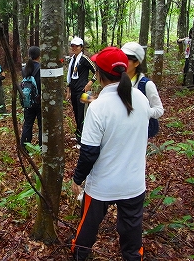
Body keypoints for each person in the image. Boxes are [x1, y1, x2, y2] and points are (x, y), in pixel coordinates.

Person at [71, 47, 150, 261]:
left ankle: (80, 256)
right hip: (133, 183)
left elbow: (89, 152)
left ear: (98, 74)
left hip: (102, 186)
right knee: (132, 238)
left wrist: (77, 178)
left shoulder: (98, 107)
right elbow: (148, 131)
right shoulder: (141, 99)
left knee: (86, 231)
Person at [121, 42, 164, 120]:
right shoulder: (117, 81)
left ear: (136, 63)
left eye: (126, 60)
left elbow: (159, 110)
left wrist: (143, 111)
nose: (123, 63)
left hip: (141, 130)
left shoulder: (146, 85)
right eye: (121, 59)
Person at [66, 37, 96, 143]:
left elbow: (97, 71)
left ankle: (82, 139)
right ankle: (78, 133)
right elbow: (70, 76)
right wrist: (68, 91)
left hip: (83, 91)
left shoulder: (84, 59)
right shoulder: (72, 59)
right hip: (74, 91)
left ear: (81, 47)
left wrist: (90, 82)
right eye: (72, 46)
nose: (74, 48)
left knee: (82, 114)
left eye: (77, 46)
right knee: (76, 113)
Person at [21, 46, 42, 148]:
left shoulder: (25, 69)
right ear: (39, 55)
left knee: (28, 124)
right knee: (41, 125)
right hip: (39, 100)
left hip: (28, 101)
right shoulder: (41, 68)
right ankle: (42, 147)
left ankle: (25, 147)